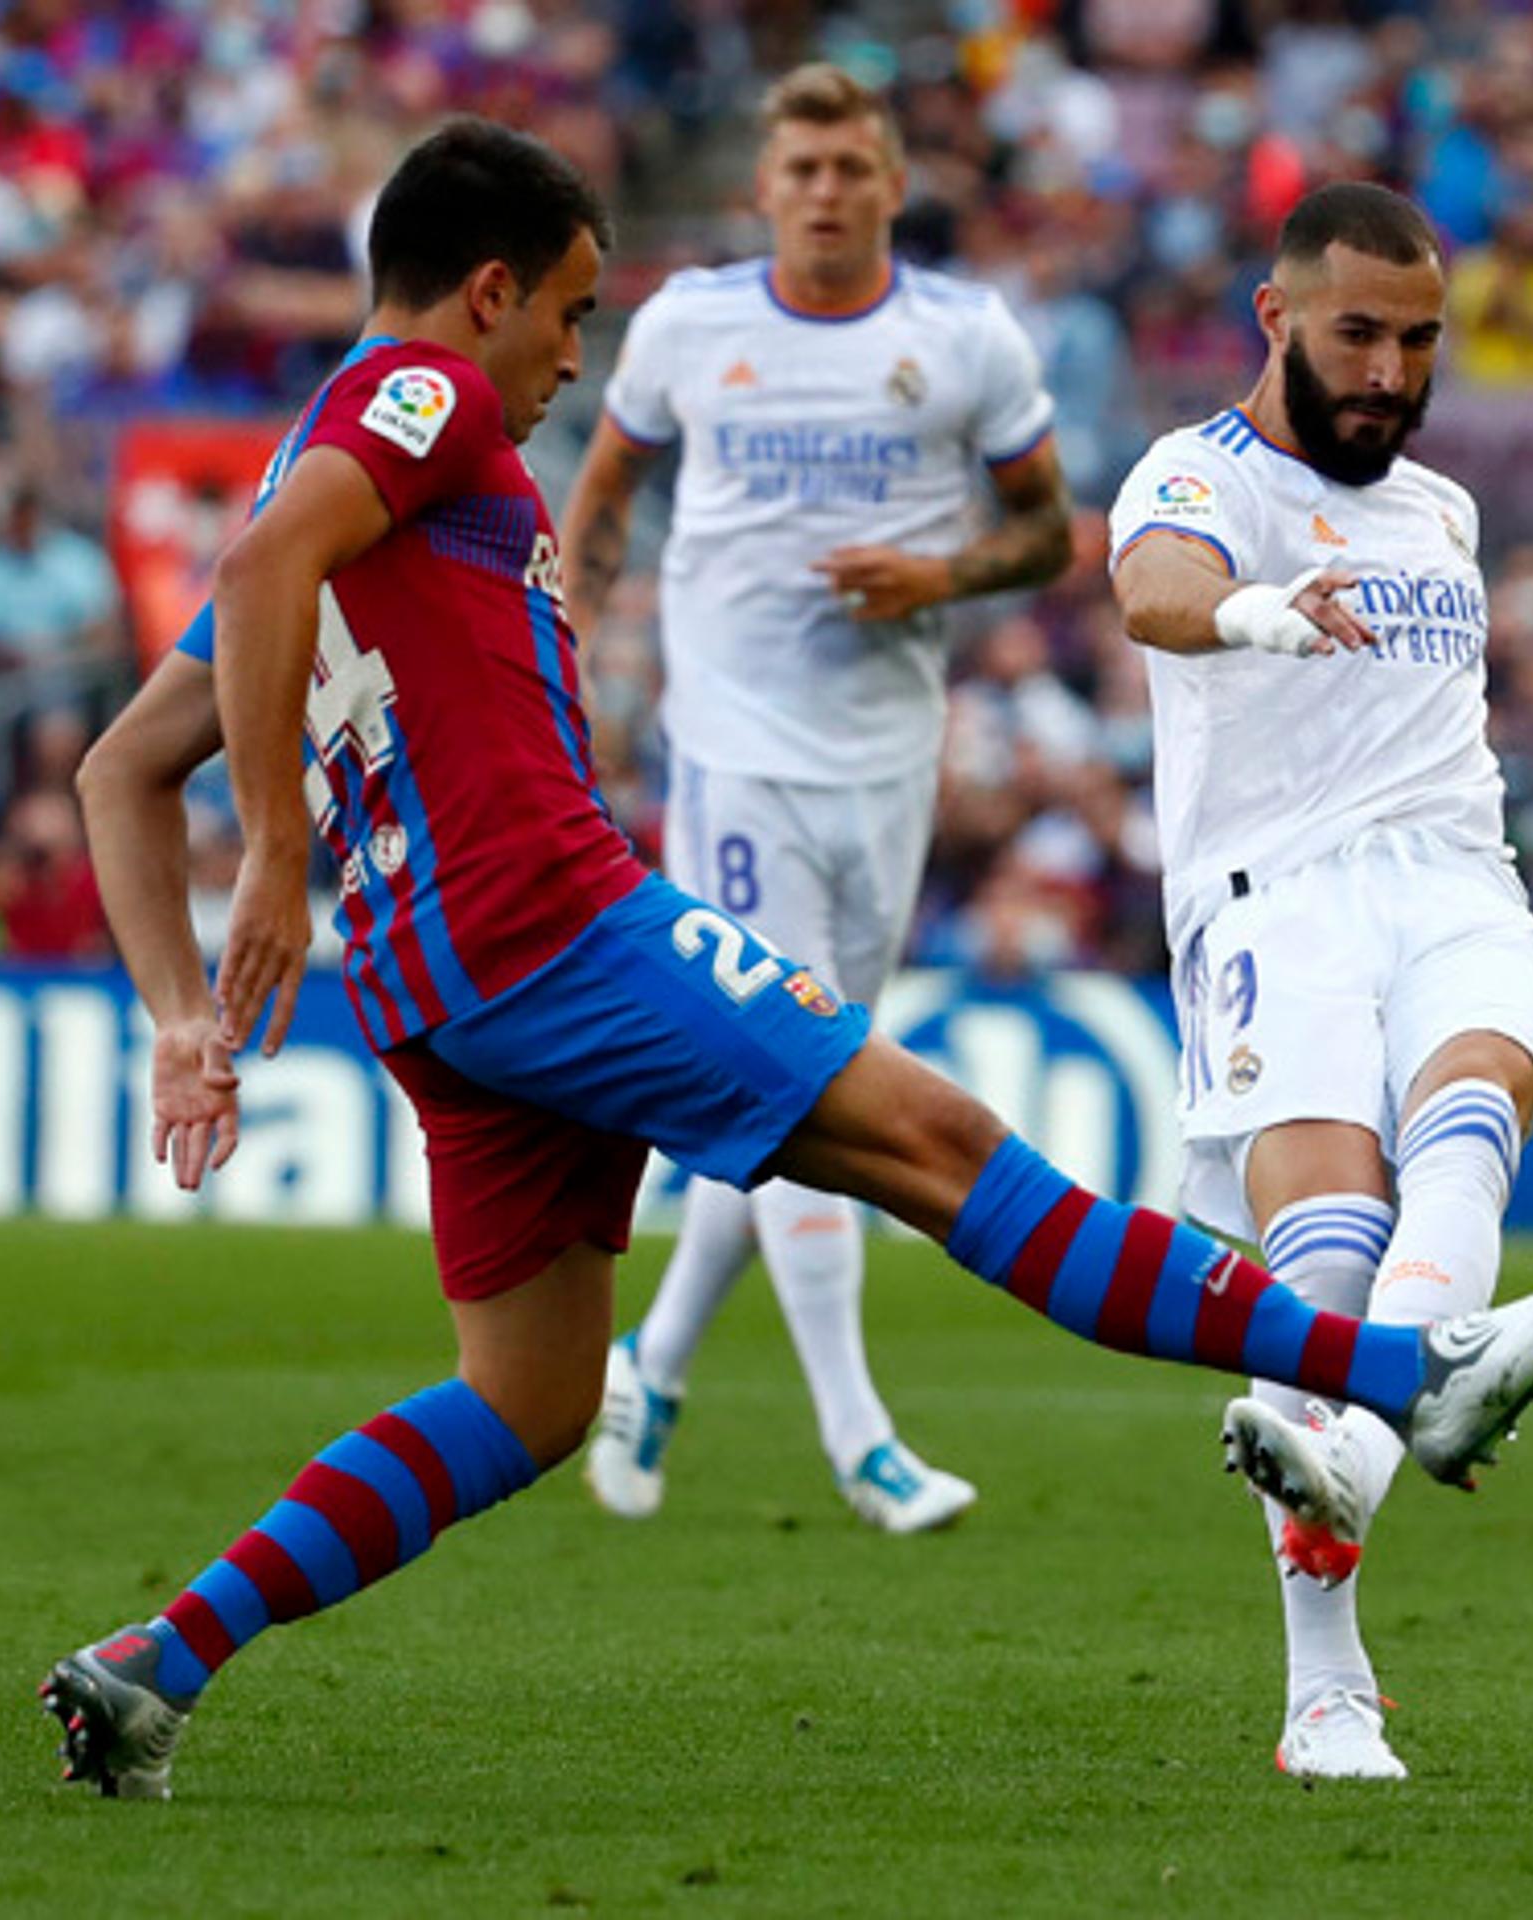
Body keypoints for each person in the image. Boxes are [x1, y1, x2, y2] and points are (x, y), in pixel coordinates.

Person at [44, 119, 1533, 1802]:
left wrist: (175, 1014)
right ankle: (1405, 1375)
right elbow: (256, 564)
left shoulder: (324, 474)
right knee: (939, 1152)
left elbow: (121, 767)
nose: (577, 358)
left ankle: (159, 1662)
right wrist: (275, 858)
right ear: (484, 292)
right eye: (567, 314)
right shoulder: (404, 405)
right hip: (551, 922)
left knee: (528, 1397)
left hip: (440, 990)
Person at [1106, 183, 1533, 1782]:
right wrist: (1252, 613)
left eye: (1415, 339)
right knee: (1324, 1264)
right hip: (1273, 908)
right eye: (1356, 334)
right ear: (1273, 318)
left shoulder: (1440, 513)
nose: (1388, 370)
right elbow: (1150, 589)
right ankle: (1325, 1687)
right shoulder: (1198, 477)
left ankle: (1368, 1459)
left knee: (1473, 1109)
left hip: (1457, 882)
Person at [558, 64, 1073, 1534]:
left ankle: (648, 1367)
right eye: (803, 169)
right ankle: (861, 1443)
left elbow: (1044, 535)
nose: (827, 191)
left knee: (793, 1082)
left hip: (886, 757)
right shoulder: (689, 329)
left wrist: (938, 576)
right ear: (765, 187)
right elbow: (600, 505)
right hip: (735, 752)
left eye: (852, 166)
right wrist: (573, 669)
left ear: (894, 182)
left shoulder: (961, 342)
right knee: (792, 1073)